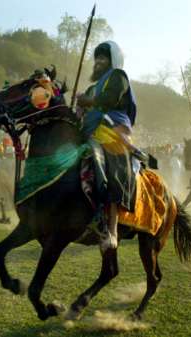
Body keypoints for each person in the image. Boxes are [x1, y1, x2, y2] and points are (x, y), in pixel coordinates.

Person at [76, 41, 137, 250]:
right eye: (98, 58)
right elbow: (84, 109)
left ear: (114, 60)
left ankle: (112, 230)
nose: (99, 61)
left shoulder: (119, 77)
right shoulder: (93, 87)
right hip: (90, 130)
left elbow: (109, 100)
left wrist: (87, 102)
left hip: (113, 130)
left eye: (104, 58)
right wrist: (78, 110)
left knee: (113, 168)